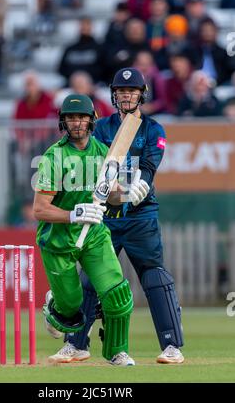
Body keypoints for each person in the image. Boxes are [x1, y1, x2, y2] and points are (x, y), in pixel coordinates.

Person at [50, 68, 185, 364]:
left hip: (141, 216)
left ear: (142, 94)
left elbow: (149, 165)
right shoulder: (101, 128)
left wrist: (140, 185)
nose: (126, 96)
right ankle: (77, 343)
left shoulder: (153, 129)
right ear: (114, 95)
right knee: (89, 280)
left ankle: (172, 345)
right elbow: (92, 164)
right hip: (106, 217)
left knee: (155, 278)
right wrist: (108, 191)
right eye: (122, 92)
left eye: (132, 92)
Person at [33, 93, 136, 366]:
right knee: (72, 309)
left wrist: (125, 192)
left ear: (91, 121)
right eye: (71, 118)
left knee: (117, 293)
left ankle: (117, 350)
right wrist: (72, 214)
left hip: (93, 235)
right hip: (57, 241)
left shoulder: (103, 153)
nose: (76, 123)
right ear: (63, 122)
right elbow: (39, 209)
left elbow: (111, 196)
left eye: (81, 118)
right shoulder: (54, 157)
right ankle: (56, 304)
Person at [58, 17, 102, 84]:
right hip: (72, 86)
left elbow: (104, 69)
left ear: (92, 27)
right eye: (82, 25)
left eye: (87, 24)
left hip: (94, 86)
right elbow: (61, 69)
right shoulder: (70, 49)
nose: (84, 27)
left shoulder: (100, 48)